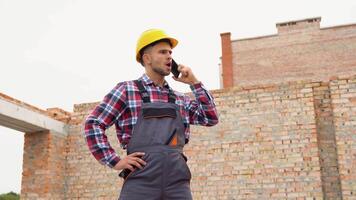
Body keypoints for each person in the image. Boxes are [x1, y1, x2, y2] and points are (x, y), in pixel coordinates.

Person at [84, 29, 219, 200]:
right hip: (141, 183)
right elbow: (93, 123)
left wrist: (194, 82)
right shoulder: (127, 90)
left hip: (177, 184)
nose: (169, 56)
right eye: (163, 52)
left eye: (170, 52)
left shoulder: (180, 98)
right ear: (146, 58)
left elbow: (211, 118)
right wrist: (115, 160)